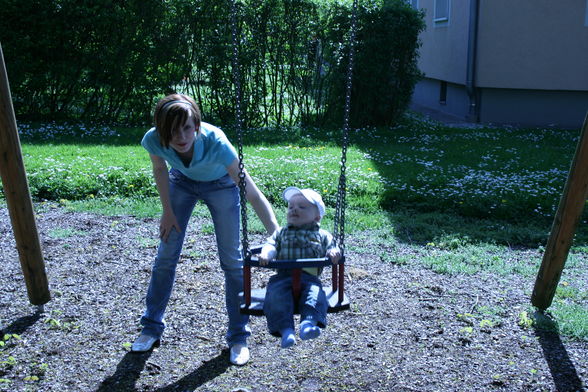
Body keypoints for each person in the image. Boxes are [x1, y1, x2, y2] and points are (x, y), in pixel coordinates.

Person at [132, 93, 278, 366]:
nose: (181, 136)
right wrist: (167, 211)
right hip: (181, 183)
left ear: (196, 125)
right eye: (173, 130)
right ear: (162, 129)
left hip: (221, 185)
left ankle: (238, 337)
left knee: (232, 262)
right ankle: (150, 327)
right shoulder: (152, 139)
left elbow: (251, 191)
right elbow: (160, 170)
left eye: (187, 127)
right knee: (166, 255)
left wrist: (276, 231)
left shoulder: (216, 142)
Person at [258, 187, 341, 348]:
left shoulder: (322, 235)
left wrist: (333, 252)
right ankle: (286, 331)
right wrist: (267, 254)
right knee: (276, 297)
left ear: (317, 217)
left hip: (310, 278)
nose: (294, 209)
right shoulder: (281, 233)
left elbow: (333, 247)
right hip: (281, 277)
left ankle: (308, 324)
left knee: (316, 296)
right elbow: (271, 245)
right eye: (291, 207)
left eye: (302, 207)